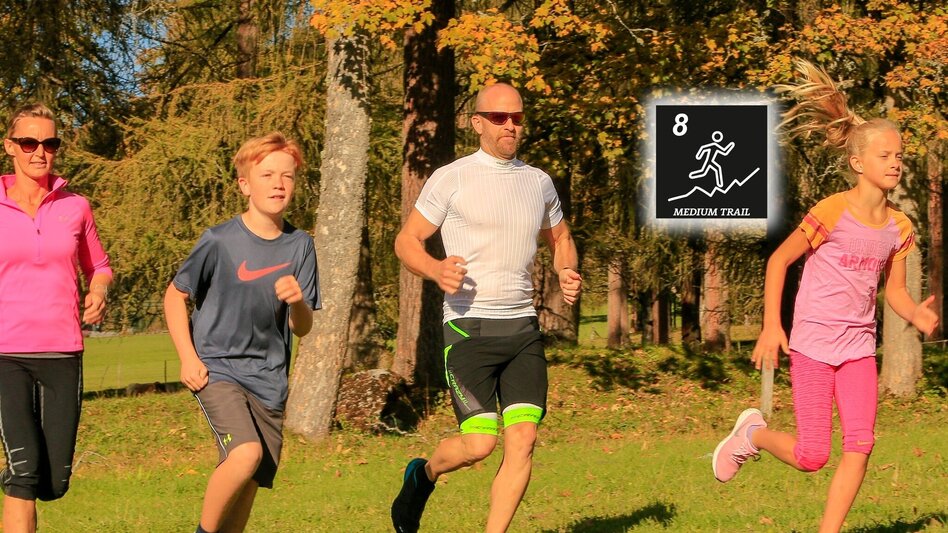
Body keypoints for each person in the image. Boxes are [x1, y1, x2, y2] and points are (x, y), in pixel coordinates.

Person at [711, 60, 939, 533]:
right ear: (858, 163)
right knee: (812, 456)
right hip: (813, 345)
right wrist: (773, 326)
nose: (896, 162)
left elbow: (893, 291)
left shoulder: (901, 226)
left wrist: (915, 313)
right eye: (885, 156)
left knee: (861, 444)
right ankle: (750, 433)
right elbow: (779, 261)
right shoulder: (831, 211)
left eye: (900, 155)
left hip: (858, 348)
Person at [390, 82, 583, 533]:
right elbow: (406, 241)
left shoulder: (539, 183)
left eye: (516, 117)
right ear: (478, 123)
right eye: (499, 118)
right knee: (479, 445)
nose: (510, 125)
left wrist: (566, 268)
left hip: (522, 331)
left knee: (524, 439)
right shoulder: (453, 177)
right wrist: (436, 270)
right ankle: (424, 473)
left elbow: (561, 238)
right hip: (468, 329)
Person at [163, 132, 320, 533]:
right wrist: (187, 358)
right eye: (267, 174)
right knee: (245, 453)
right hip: (218, 369)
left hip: (268, 380)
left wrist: (298, 301)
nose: (278, 183)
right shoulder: (219, 241)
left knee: (249, 483)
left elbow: (302, 327)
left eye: (287, 175)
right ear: (245, 185)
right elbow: (174, 296)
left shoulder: (300, 245)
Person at [0, 103, 113, 533]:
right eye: (29, 142)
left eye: (49, 143)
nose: (39, 151)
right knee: (24, 470)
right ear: (10, 147)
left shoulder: (75, 207)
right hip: (5, 353)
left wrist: (98, 290)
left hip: (62, 351)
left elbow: (99, 265)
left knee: (53, 481)